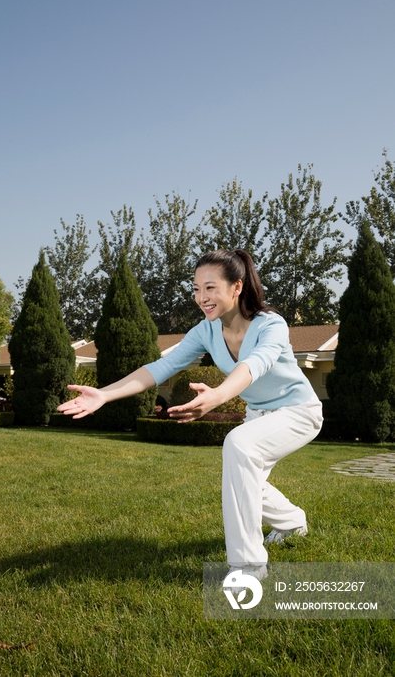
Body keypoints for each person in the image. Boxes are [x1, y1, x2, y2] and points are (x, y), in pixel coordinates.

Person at [57, 249, 323, 581]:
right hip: (259, 413)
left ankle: (248, 567)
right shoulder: (205, 331)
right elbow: (160, 367)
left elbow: (254, 365)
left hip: (298, 411)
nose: (201, 297)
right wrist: (104, 394)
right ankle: (293, 521)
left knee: (238, 445)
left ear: (236, 287)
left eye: (210, 288)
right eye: (196, 289)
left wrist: (219, 396)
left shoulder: (271, 325)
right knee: (244, 474)